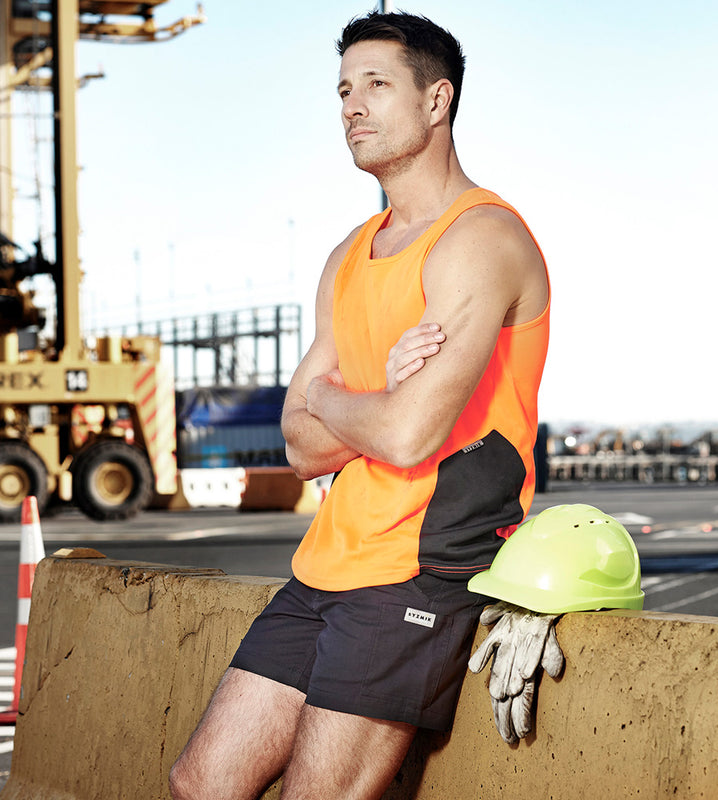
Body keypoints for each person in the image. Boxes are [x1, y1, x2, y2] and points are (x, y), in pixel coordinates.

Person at [169, 11, 550, 800]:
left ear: (437, 100)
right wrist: (370, 399)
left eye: (377, 84)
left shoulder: (479, 239)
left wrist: (328, 397)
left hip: (420, 569)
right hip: (327, 564)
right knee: (198, 784)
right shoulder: (349, 254)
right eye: (344, 89)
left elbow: (408, 436)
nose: (352, 106)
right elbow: (299, 447)